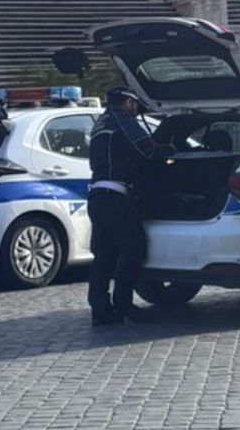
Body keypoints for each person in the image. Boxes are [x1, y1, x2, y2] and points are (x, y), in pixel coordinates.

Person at [88, 87, 168, 325]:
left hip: (97, 196)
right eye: (135, 104)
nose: (136, 109)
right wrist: (172, 150)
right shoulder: (122, 120)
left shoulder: (101, 123)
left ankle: (100, 311)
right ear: (127, 102)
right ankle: (124, 306)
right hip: (116, 196)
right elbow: (148, 150)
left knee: (104, 255)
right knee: (133, 249)